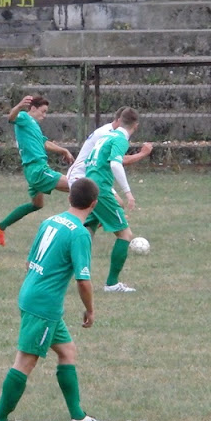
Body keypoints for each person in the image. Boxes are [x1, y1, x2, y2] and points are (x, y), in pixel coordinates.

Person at [0, 177, 100, 421]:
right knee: (25, 362)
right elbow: (83, 280)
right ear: (94, 204)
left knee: (67, 351)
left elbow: (29, 262)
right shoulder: (80, 234)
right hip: (43, 306)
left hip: (31, 293)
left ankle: (78, 417)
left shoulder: (49, 221)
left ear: (69, 197)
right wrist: (90, 310)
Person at [0, 95, 75, 247]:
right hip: (38, 169)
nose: (45, 115)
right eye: (43, 111)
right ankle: (90, 221)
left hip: (33, 169)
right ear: (33, 108)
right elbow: (11, 118)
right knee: (76, 187)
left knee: (37, 204)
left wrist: (63, 150)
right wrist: (19, 106)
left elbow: (45, 143)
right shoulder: (24, 117)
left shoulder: (33, 125)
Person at [84, 107, 141, 293]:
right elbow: (116, 164)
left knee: (84, 234)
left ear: (119, 120)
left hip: (89, 185)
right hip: (100, 190)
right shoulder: (120, 139)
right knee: (125, 235)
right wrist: (127, 192)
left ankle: (57, 271)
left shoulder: (106, 137)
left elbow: (91, 163)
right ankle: (112, 284)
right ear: (136, 125)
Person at [67, 106, 153, 189]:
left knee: (112, 198)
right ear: (119, 120)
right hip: (81, 174)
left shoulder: (114, 133)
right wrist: (142, 154)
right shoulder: (107, 134)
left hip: (93, 175)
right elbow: (118, 160)